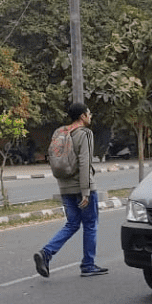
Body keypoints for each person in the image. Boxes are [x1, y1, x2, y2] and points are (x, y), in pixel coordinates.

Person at [33, 102, 108, 278]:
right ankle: (88, 265)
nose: (90, 116)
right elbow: (84, 163)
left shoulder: (61, 132)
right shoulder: (85, 134)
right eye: (89, 113)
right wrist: (86, 191)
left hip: (64, 187)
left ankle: (46, 253)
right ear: (82, 116)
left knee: (72, 223)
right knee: (90, 225)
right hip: (81, 187)